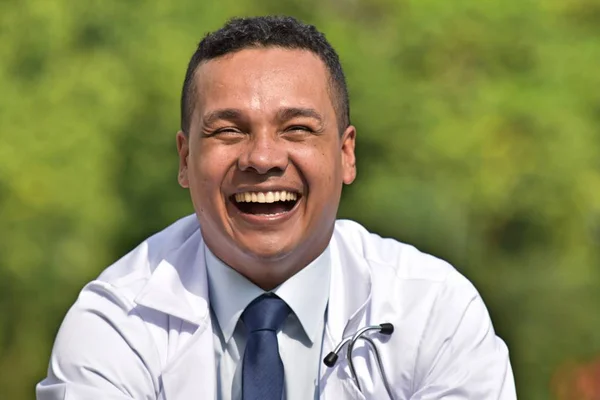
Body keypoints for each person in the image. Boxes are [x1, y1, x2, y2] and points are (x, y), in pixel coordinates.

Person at [36, 15, 517, 400]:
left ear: (346, 154)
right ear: (185, 160)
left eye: (297, 130)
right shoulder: (116, 324)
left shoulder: (435, 311)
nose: (263, 159)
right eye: (228, 130)